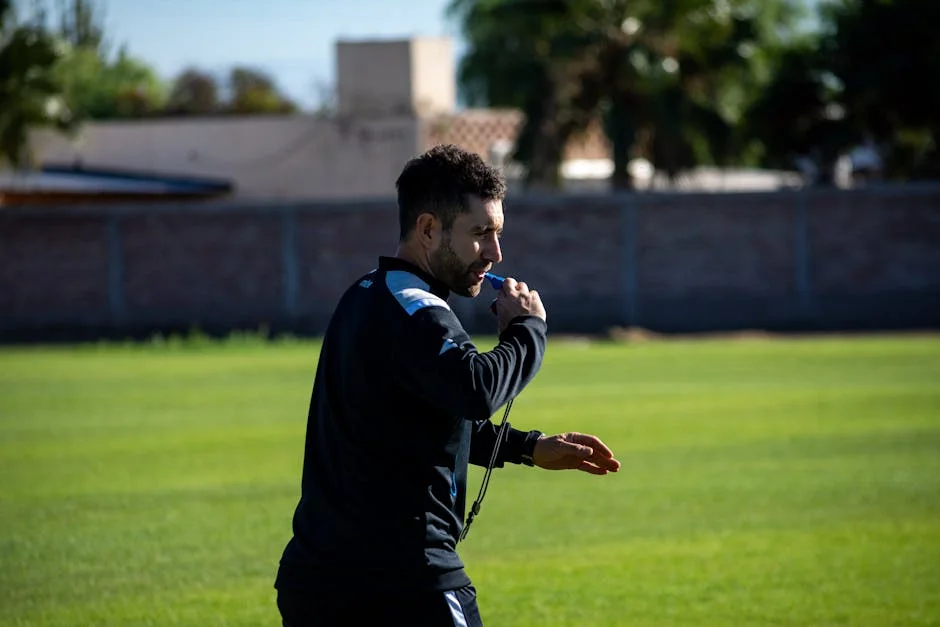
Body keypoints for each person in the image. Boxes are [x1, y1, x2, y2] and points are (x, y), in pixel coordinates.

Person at [273, 144, 621, 626]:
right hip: (402, 582)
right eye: (480, 234)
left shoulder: (366, 295)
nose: (495, 253)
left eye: (498, 234)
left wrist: (528, 447)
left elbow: (427, 418)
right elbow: (475, 390)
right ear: (428, 229)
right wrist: (528, 330)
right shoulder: (416, 308)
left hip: (316, 579)